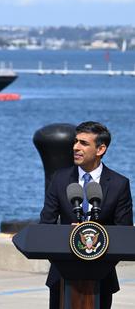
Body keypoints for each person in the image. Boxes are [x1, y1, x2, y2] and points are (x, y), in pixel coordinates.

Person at [39, 121, 132, 309]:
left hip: (102, 278)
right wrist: (67, 244)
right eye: (75, 142)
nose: (75, 147)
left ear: (100, 149)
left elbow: (125, 234)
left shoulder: (119, 184)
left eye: (83, 143)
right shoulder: (60, 179)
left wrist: (97, 255)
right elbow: (45, 227)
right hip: (61, 277)